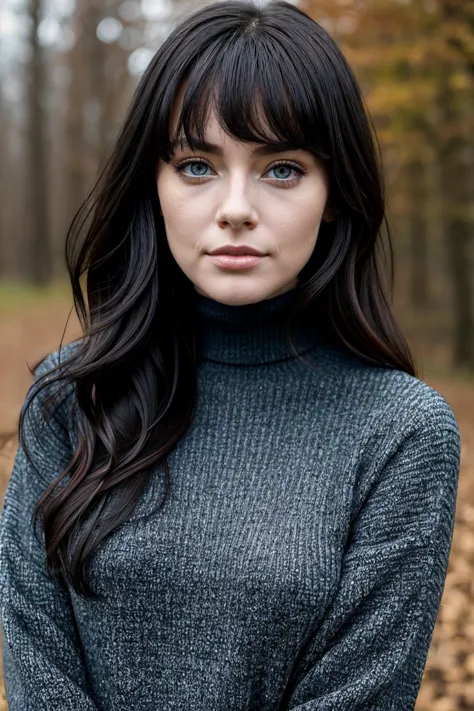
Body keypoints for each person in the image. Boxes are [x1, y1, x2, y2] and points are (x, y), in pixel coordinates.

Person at [0, 1, 461, 709]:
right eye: (196, 164)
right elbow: (39, 677)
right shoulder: (69, 401)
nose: (236, 206)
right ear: (153, 187)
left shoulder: (400, 434)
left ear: (334, 193)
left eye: (281, 168)